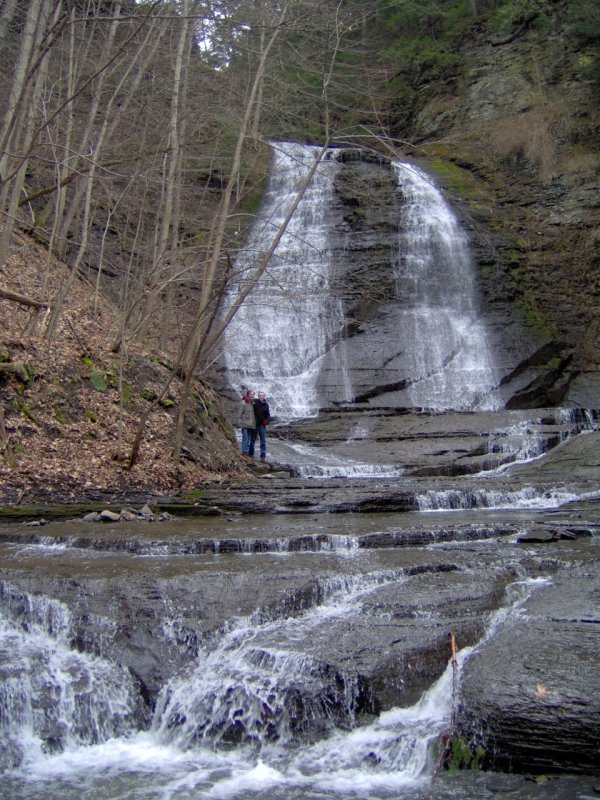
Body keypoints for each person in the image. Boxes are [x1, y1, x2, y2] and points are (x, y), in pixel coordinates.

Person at [250, 390, 270, 461]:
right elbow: (249, 399)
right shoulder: (255, 402)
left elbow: (268, 415)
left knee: (263, 441)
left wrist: (266, 421)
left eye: (262, 395)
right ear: (258, 396)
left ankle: (263, 456)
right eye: (260, 395)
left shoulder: (266, 404)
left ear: (264, 396)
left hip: (262, 425)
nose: (261, 397)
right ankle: (251, 455)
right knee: (252, 440)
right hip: (255, 424)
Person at [237, 388, 256, 457]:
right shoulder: (243, 402)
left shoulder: (253, 403)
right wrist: (238, 422)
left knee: (248, 438)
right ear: (248, 394)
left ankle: (247, 451)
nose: (252, 395)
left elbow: (253, 415)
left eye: (253, 394)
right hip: (245, 423)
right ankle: (244, 452)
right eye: (251, 394)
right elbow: (239, 413)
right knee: (245, 438)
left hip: (251, 423)